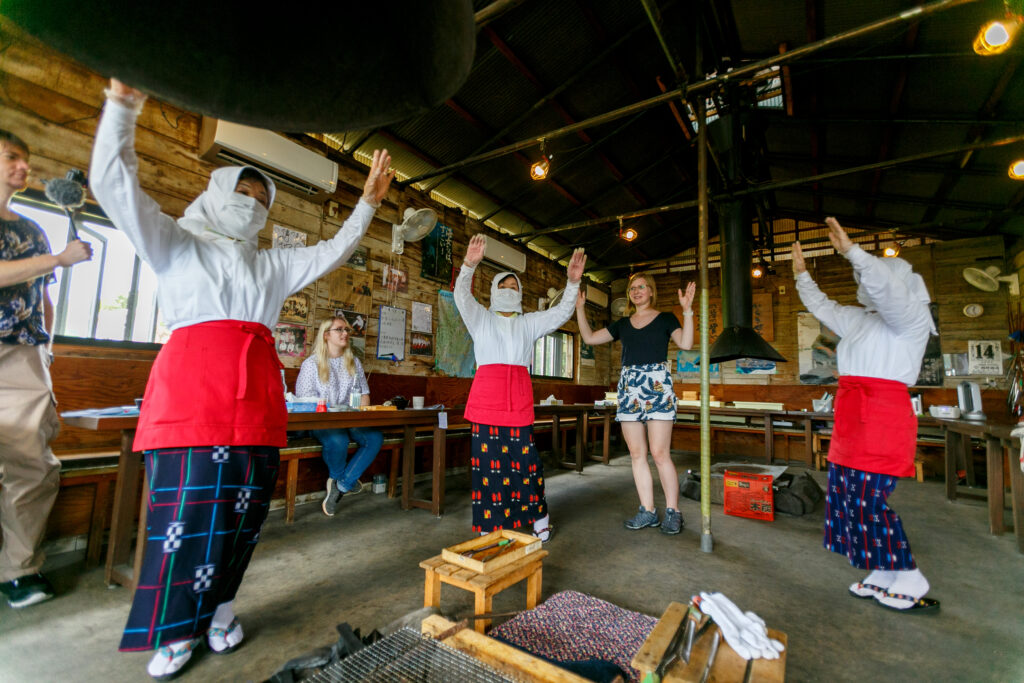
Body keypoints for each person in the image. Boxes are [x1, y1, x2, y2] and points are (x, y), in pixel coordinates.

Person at [89, 78, 394, 679]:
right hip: (189, 396)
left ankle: (222, 607)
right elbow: (113, 185)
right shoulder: (176, 242)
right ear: (214, 191)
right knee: (184, 519)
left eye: (262, 196)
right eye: (243, 189)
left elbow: (333, 249)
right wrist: (121, 108)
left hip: (256, 400)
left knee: (245, 512)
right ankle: (176, 631)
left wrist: (369, 206)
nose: (252, 200)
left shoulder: (272, 265)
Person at [793, 216, 938, 613]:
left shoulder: (912, 321)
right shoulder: (860, 321)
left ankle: (907, 573)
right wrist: (802, 276)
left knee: (868, 501)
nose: (866, 289)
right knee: (842, 498)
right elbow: (822, 306)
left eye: (870, 279)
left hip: (882, 421)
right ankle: (881, 569)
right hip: (851, 419)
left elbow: (889, 294)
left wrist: (854, 253)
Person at [0, 130, 92, 608]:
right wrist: (57, 257)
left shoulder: (31, 231)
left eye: (25, 159)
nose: (23, 166)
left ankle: (18, 572)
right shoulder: (44, 247)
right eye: (12, 156)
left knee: (30, 466)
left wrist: (47, 348)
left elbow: (43, 296)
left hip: (22, 356)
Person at [455, 234, 585, 541]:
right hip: (486, 402)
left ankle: (539, 519)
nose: (509, 291)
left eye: (514, 287)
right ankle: (490, 527)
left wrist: (572, 284)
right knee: (488, 469)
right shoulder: (480, 319)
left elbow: (561, 313)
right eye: (503, 286)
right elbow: (461, 296)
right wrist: (469, 265)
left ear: (521, 293)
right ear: (493, 291)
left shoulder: (529, 323)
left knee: (526, 465)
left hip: (517, 402)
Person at [576, 273, 694, 534]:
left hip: (658, 386)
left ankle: (673, 511)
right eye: (633, 288)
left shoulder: (665, 318)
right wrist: (580, 309)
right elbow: (589, 338)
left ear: (651, 291)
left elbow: (686, 343)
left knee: (660, 453)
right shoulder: (622, 324)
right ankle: (648, 510)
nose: (637, 291)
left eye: (642, 287)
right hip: (629, 386)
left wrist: (687, 312)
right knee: (637, 454)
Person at [295, 316, 383, 516]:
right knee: (338, 440)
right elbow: (303, 400)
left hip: (349, 417)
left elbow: (364, 395)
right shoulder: (311, 364)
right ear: (326, 335)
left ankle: (341, 485)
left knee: (374, 437)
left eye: (347, 330)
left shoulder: (353, 362)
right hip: (322, 419)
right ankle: (342, 478)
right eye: (339, 329)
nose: (345, 333)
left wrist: (361, 415)